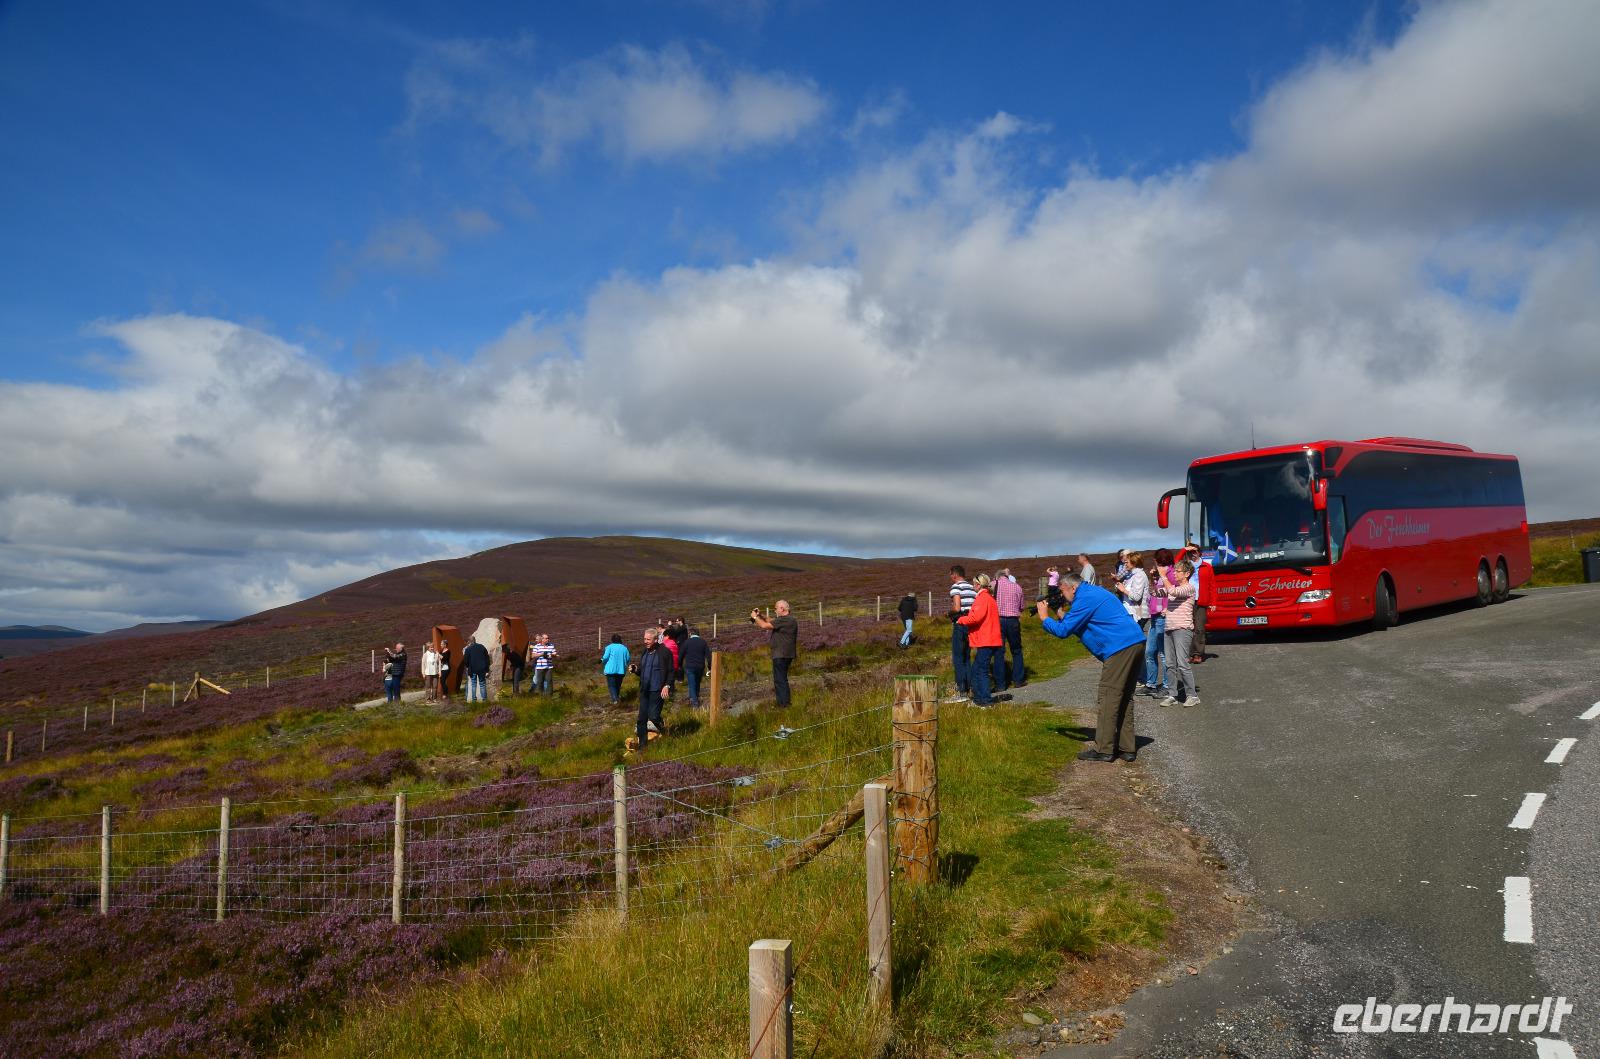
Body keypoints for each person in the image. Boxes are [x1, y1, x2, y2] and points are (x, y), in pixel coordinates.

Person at [1036, 573, 1146, 762]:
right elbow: (1077, 626)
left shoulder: (1084, 598)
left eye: (1062, 590)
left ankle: (1104, 749)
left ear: (1072, 587)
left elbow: (1063, 631)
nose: (1062, 595)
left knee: (1108, 697)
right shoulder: (1092, 593)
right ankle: (1127, 748)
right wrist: (1060, 613)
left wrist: (1045, 618)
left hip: (1120, 647)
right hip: (1134, 641)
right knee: (1124, 697)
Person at [957, 574, 1004, 706]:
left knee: (980, 671)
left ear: (978, 585)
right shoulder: (990, 598)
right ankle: (979, 699)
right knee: (977, 669)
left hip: (986, 640)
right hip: (991, 639)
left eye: (974, 584)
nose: (973, 586)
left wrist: (960, 620)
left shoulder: (982, 598)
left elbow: (975, 618)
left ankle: (985, 701)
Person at [1161, 560, 1200, 708]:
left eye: (1178, 571)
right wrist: (1155, 579)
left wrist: (1163, 576)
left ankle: (1192, 695)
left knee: (1183, 664)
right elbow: (1156, 593)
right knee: (1170, 664)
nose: (1175, 574)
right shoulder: (1175, 587)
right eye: (1175, 571)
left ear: (1187, 573)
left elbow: (1173, 592)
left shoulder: (1189, 588)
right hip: (1169, 629)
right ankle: (1172, 694)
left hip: (1183, 629)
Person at [630, 626, 675, 749]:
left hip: (657, 690)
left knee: (653, 716)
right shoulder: (645, 652)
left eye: (648, 639)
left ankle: (662, 728)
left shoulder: (665, 652)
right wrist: (636, 670)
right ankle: (642, 746)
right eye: (644, 639)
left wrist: (667, 685)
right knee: (641, 719)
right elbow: (642, 670)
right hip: (645, 690)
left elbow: (671, 671)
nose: (645, 641)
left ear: (656, 639)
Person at [750, 600, 799, 707]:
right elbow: (771, 621)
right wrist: (761, 615)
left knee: (780, 680)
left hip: (781, 654)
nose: (775, 610)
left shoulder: (785, 620)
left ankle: (784, 705)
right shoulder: (788, 620)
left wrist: (755, 617)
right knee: (781, 679)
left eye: (776, 608)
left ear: (782, 609)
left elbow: (764, 626)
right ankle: (784, 703)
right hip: (786, 654)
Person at [945, 565, 977, 703]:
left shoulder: (956, 587)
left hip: (960, 624)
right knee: (967, 657)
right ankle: (971, 688)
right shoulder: (972, 588)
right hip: (971, 625)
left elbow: (957, 607)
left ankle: (961, 690)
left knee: (958, 658)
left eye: (950, 574)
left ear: (954, 575)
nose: (950, 577)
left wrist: (949, 612)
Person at [993, 568, 1026, 689]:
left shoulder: (993, 585)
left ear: (997, 577)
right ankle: (1018, 680)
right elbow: (1021, 607)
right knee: (1016, 650)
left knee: (999, 652)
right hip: (1013, 620)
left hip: (998, 620)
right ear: (1007, 577)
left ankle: (1000, 684)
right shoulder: (1017, 587)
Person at [1186, 544, 1214, 663]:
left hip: (1201, 601)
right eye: (1190, 552)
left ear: (1199, 552)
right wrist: (1184, 550)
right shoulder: (1185, 566)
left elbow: (1212, 585)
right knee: (1188, 628)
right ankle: (1189, 653)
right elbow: (1176, 561)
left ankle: (1197, 653)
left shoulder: (1207, 566)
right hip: (1187, 601)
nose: (1193, 553)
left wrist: (1213, 602)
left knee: (1200, 628)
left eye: (1195, 551)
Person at [680, 626, 710, 707]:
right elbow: (708, 656)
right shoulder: (703, 642)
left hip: (690, 666)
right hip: (700, 666)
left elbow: (681, 655)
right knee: (697, 683)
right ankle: (695, 698)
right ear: (698, 633)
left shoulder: (686, 642)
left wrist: (679, 666)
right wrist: (710, 667)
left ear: (690, 634)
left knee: (691, 684)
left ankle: (695, 703)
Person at [601, 634, 630, 705]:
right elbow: (628, 658)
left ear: (612, 640)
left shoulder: (609, 647)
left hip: (610, 670)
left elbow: (605, 657)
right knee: (617, 686)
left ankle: (615, 700)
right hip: (621, 670)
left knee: (612, 686)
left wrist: (601, 661)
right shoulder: (624, 648)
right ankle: (617, 699)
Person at [462, 635, 491, 703]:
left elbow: (465, 661)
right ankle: (484, 700)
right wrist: (487, 669)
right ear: (475, 640)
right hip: (482, 669)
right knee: (482, 684)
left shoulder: (468, 649)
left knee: (474, 684)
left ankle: (474, 701)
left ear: (469, 641)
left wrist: (468, 666)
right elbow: (487, 658)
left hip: (472, 669)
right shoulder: (481, 647)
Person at [436, 639, 452, 703]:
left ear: (445, 645)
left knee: (442, 681)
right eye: (440, 644)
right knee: (442, 681)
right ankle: (445, 693)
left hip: (446, 668)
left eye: (442, 644)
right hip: (441, 668)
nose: (440, 645)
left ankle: (445, 694)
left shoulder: (448, 651)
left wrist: (438, 654)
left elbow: (444, 658)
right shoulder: (441, 651)